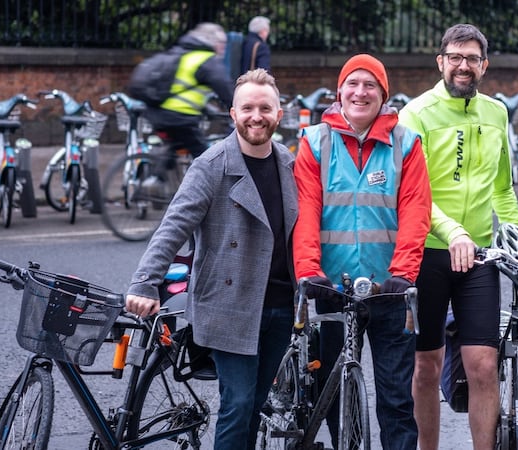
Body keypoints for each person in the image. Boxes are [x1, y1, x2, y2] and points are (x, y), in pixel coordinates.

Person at [124, 68, 298, 449]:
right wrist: (144, 282)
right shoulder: (212, 165)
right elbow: (173, 227)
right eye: (247, 108)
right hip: (228, 305)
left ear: (279, 114)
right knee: (238, 404)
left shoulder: (288, 162)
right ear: (233, 114)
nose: (256, 116)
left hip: (280, 305)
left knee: (255, 405)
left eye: (265, 108)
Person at [293, 54, 432, 450]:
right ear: (339, 93)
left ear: (383, 95)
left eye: (370, 85)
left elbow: (416, 211)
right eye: (352, 84)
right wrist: (308, 270)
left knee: (397, 400)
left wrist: (403, 273)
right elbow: (306, 211)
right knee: (335, 396)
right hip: (332, 289)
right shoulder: (315, 142)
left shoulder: (405, 143)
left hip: (390, 289)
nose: (360, 92)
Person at [398, 23, 518, 450]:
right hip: (428, 253)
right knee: (426, 366)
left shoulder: (497, 112)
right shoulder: (416, 114)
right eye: (455, 57)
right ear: (441, 62)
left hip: (479, 256)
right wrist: (452, 233)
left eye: (472, 58)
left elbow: (503, 189)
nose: (463, 65)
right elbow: (414, 193)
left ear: (484, 65)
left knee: (484, 365)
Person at [144, 22, 234, 162]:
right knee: (206, 159)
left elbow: (182, 89)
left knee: (174, 150)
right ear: (211, 41)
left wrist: (205, 108)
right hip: (180, 118)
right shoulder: (207, 60)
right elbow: (225, 90)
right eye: (221, 43)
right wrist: (237, 108)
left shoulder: (184, 54)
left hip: (158, 112)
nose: (223, 47)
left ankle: (161, 171)